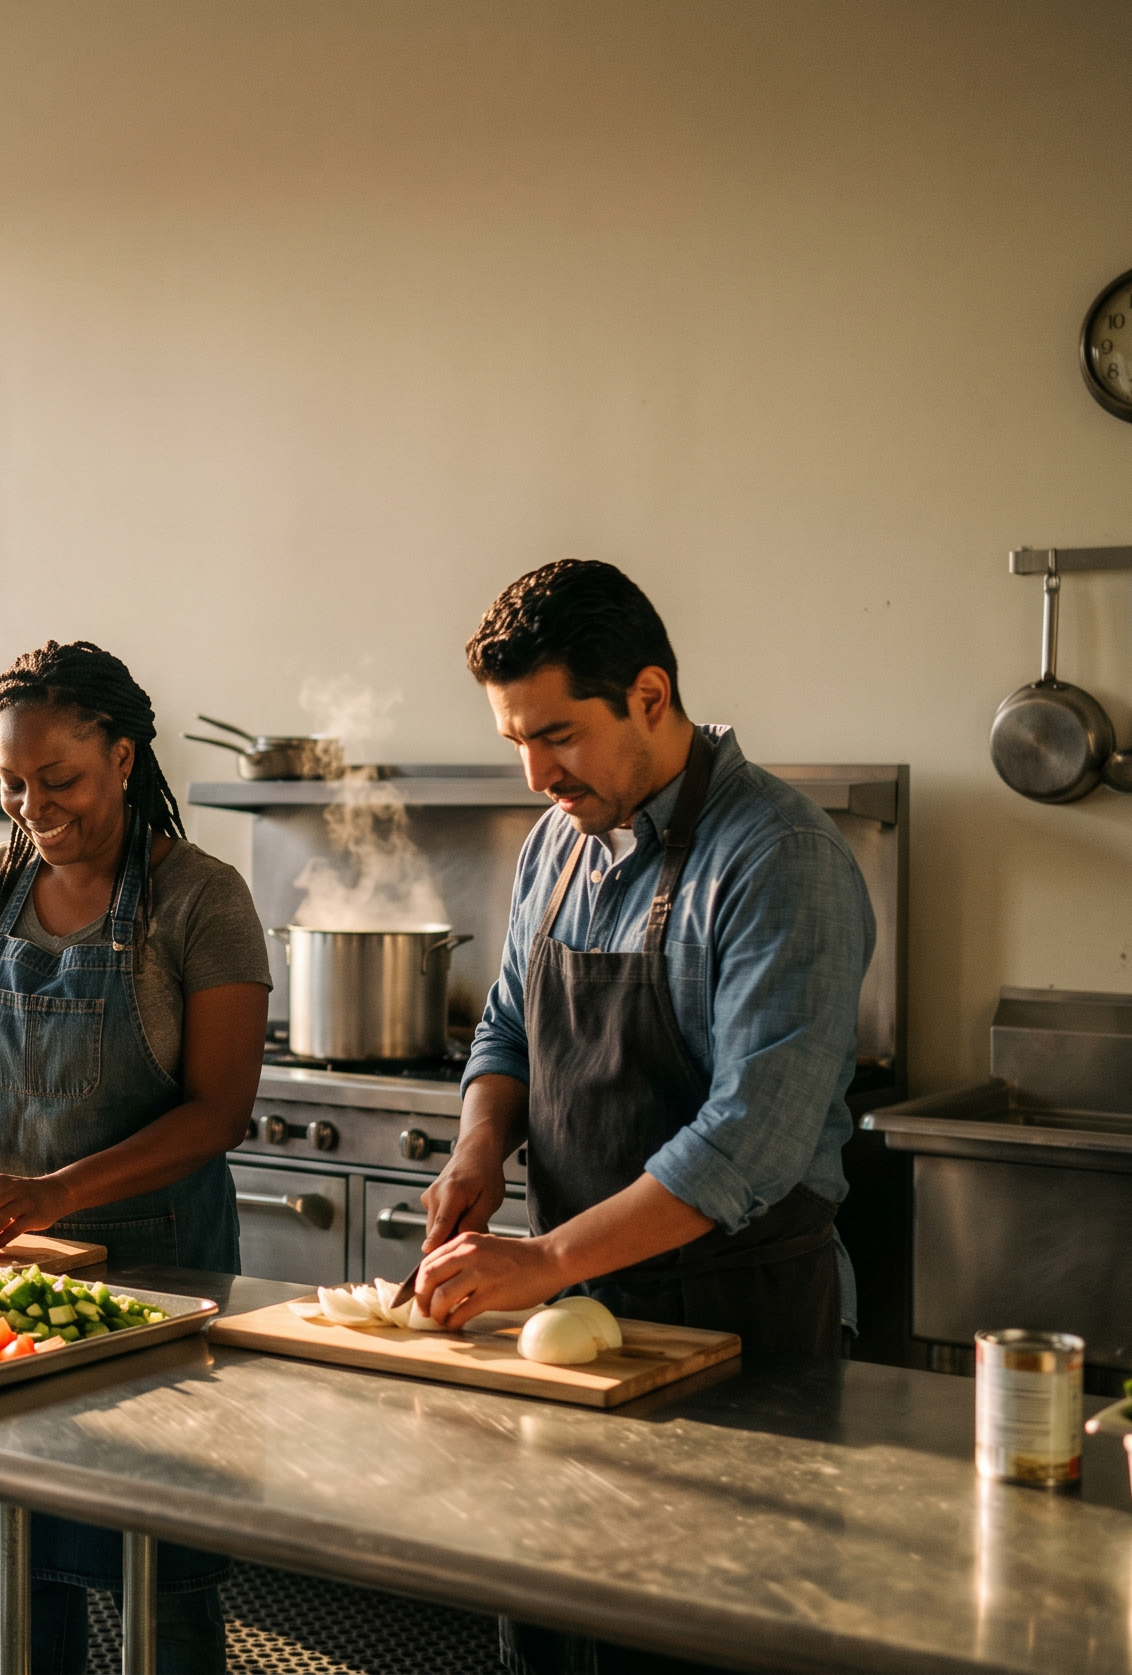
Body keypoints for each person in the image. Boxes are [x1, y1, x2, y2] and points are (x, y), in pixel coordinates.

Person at [412, 560, 874, 1675]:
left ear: (650, 698)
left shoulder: (779, 860)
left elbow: (748, 1137)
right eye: (515, 738)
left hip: (741, 1334)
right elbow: (507, 1029)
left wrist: (542, 1260)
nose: (533, 773)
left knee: (701, 1646)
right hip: (572, 1330)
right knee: (556, 1633)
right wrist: (480, 1148)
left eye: (557, 734)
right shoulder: (555, 846)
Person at [0, 639, 272, 1672]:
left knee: (162, 1577)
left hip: (160, 1290)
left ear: (120, 754)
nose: (31, 804)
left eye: (56, 777)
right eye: (11, 782)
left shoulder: (201, 899)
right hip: (3, 1291)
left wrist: (54, 1189)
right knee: (18, 1564)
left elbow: (218, 1112)